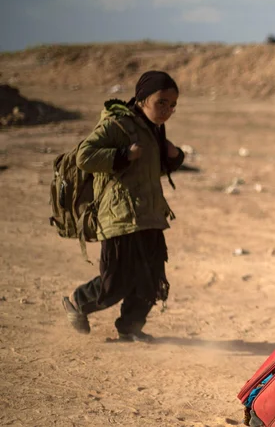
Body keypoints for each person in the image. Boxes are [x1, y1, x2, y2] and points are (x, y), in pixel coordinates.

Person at [61, 70, 185, 343]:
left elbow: (149, 170)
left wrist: (175, 156)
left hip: (149, 215)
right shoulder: (117, 125)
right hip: (120, 216)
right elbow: (85, 156)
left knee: (150, 279)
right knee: (115, 281)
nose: (167, 110)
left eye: (173, 105)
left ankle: (130, 327)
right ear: (142, 99)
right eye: (161, 102)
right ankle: (77, 301)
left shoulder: (153, 128)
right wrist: (123, 155)